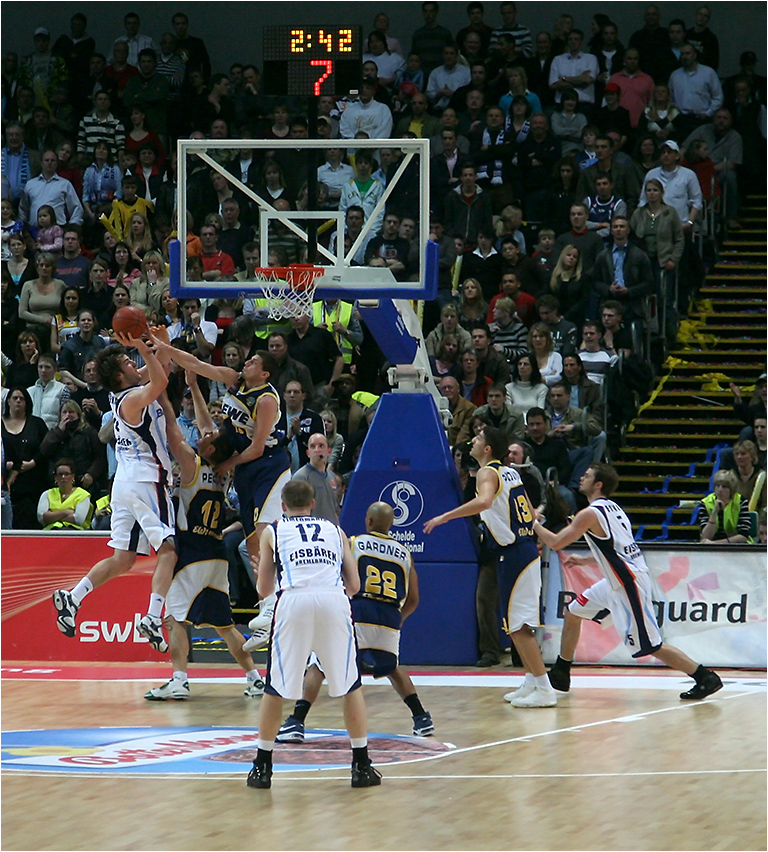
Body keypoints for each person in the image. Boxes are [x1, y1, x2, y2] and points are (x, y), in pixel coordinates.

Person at [534, 463, 724, 701]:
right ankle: (561, 672)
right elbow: (619, 550)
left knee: (651, 646)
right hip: (617, 579)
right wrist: (586, 560)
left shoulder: (590, 513)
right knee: (573, 613)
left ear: (598, 484)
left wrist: (532, 523)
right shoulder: (613, 508)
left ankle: (704, 677)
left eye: (588, 475)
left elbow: (555, 542)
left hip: (627, 582)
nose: (581, 477)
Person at [246, 479, 381, 790]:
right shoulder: (336, 530)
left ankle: (262, 767)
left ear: (283, 506)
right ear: (312, 504)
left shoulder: (273, 531)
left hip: (294, 601)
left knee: (275, 688)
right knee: (350, 685)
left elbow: (264, 590)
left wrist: (265, 572)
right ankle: (361, 765)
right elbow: (355, 586)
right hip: (333, 600)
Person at [52, 334, 177, 652]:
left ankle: (73, 597)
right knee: (170, 550)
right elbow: (160, 379)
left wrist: (158, 343)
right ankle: (152, 616)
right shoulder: (131, 399)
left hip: (125, 483)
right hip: (146, 481)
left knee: (123, 558)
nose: (134, 362)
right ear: (121, 375)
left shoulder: (128, 391)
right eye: (127, 362)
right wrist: (145, 349)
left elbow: (162, 368)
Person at [144, 374, 265, 701]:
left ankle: (179, 679)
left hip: (192, 555)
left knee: (173, 618)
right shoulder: (224, 471)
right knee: (224, 625)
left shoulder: (191, 463)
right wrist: (195, 387)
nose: (203, 432)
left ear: (211, 447)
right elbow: (207, 426)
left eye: (209, 436)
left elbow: (171, 427)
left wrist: (158, 392)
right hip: (216, 555)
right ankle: (255, 678)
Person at [277, 500, 433, 743]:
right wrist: (398, 619)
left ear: (368, 521)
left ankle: (296, 720)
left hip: (359, 609)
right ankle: (421, 718)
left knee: (319, 663)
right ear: (392, 525)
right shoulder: (405, 553)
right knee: (391, 667)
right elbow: (413, 598)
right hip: (389, 614)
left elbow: (339, 575)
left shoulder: (354, 542)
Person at [425, 426, 556, 707]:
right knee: (513, 625)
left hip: (515, 553)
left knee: (518, 626)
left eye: (479, 438)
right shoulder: (511, 473)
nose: (472, 440)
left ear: (487, 450)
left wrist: (445, 517)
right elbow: (531, 513)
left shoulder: (488, 473)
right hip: (520, 551)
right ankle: (533, 679)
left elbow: (484, 500)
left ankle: (545, 688)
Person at [2, 386, 50, 530]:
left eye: (22, 398)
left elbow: (45, 449)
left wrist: (33, 462)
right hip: (4, 485)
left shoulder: (37, 423)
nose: (18, 401)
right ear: (8, 401)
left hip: (32, 484)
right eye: (15, 398)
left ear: (27, 402)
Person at [37, 457, 93, 531]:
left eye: (67, 474)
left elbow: (78, 519)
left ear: (73, 476)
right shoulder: (47, 494)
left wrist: (52, 515)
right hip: (51, 532)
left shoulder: (83, 494)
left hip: (75, 533)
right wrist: (66, 512)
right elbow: (41, 518)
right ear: (55, 477)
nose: (63, 477)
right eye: (60, 474)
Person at [698, 469, 753, 544]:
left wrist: (717, 544)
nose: (720, 490)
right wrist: (714, 512)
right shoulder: (705, 503)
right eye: (717, 486)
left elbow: (743, 536)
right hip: (711, 545)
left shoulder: (741, 501)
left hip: (736, 545)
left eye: (724, 487)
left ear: (732, 489)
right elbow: (705, 537)